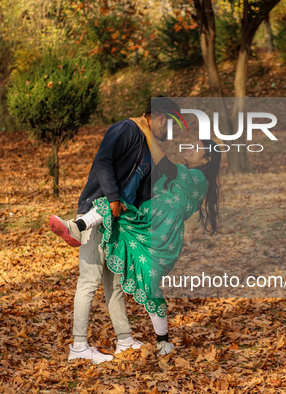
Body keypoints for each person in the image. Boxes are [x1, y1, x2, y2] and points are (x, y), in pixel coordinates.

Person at [51, 116, 222, 357]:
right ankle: (77, 226)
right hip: (144, 221)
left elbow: (167, 167)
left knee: (146, 281)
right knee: (113, 209)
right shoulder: (179, 171)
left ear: (207, 160)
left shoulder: (198, 179)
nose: (188, 148)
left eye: (195, 148)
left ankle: (158, 340)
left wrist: (145, 130)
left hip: (160, 233)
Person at [50, 98, 180, 364]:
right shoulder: (125, 129)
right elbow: (103, 162)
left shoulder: (148, 147)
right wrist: (111, 197)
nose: (169, 130)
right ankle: (78, 347)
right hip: (98, 209)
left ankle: (124, 340)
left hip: (119, 221)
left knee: (116, 285)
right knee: (89, 281)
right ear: (155, 116)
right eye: (168, 122)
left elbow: (157, 181)